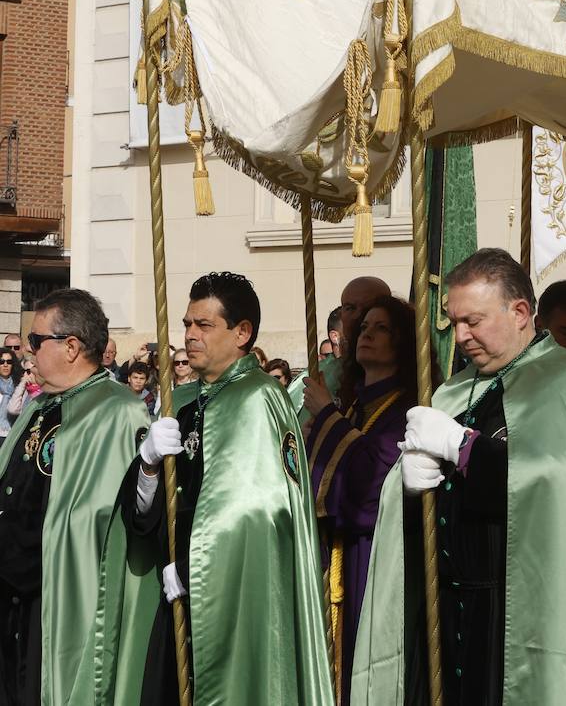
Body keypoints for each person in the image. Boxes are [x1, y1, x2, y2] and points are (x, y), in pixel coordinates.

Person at [351, 249, 566, 706]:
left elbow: (556, 487)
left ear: (521, 312)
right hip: (443, 611)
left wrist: (464, 449)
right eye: (455, 323)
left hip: (519, 612)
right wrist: (404, 486)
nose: (461, 337)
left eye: (474, 321)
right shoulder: (455, 389)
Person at [122, 271, 331, 704]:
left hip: (235, 594)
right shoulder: (178, 400)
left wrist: (194, 569)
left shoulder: (258, 399)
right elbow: (146, 513)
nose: (190, 336)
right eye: (186, 324)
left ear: (242, 333)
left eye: (204, 325)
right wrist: (147, 465)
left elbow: (261, 511)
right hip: (174, 592)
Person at [0, 289, 155, 704]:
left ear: (71, 346)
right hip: (12, 594)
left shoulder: (118, 410)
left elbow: (128, 516)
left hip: (59, 597)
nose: (27, 352)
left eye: (36, 341)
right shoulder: (39, 405)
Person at [307, 295, 418, 704]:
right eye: (365, 327)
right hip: (336, 552)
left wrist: (325, 419)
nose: (368, 334)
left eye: (382, 328)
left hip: (376, 555)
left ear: (404, 342)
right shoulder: (354, 406)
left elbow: (372, 485)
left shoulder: (406, 407)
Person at [298, 277, 392, 414]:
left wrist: (325, 413)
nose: (358, 316)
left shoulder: (400, 382)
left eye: (369, 308)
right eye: (350, 308)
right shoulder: (327, 374)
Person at [0, 346, 20, 437]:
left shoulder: (19, 384)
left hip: (13, 434)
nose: (5, 365)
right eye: (1, 361)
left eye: (9, 362)